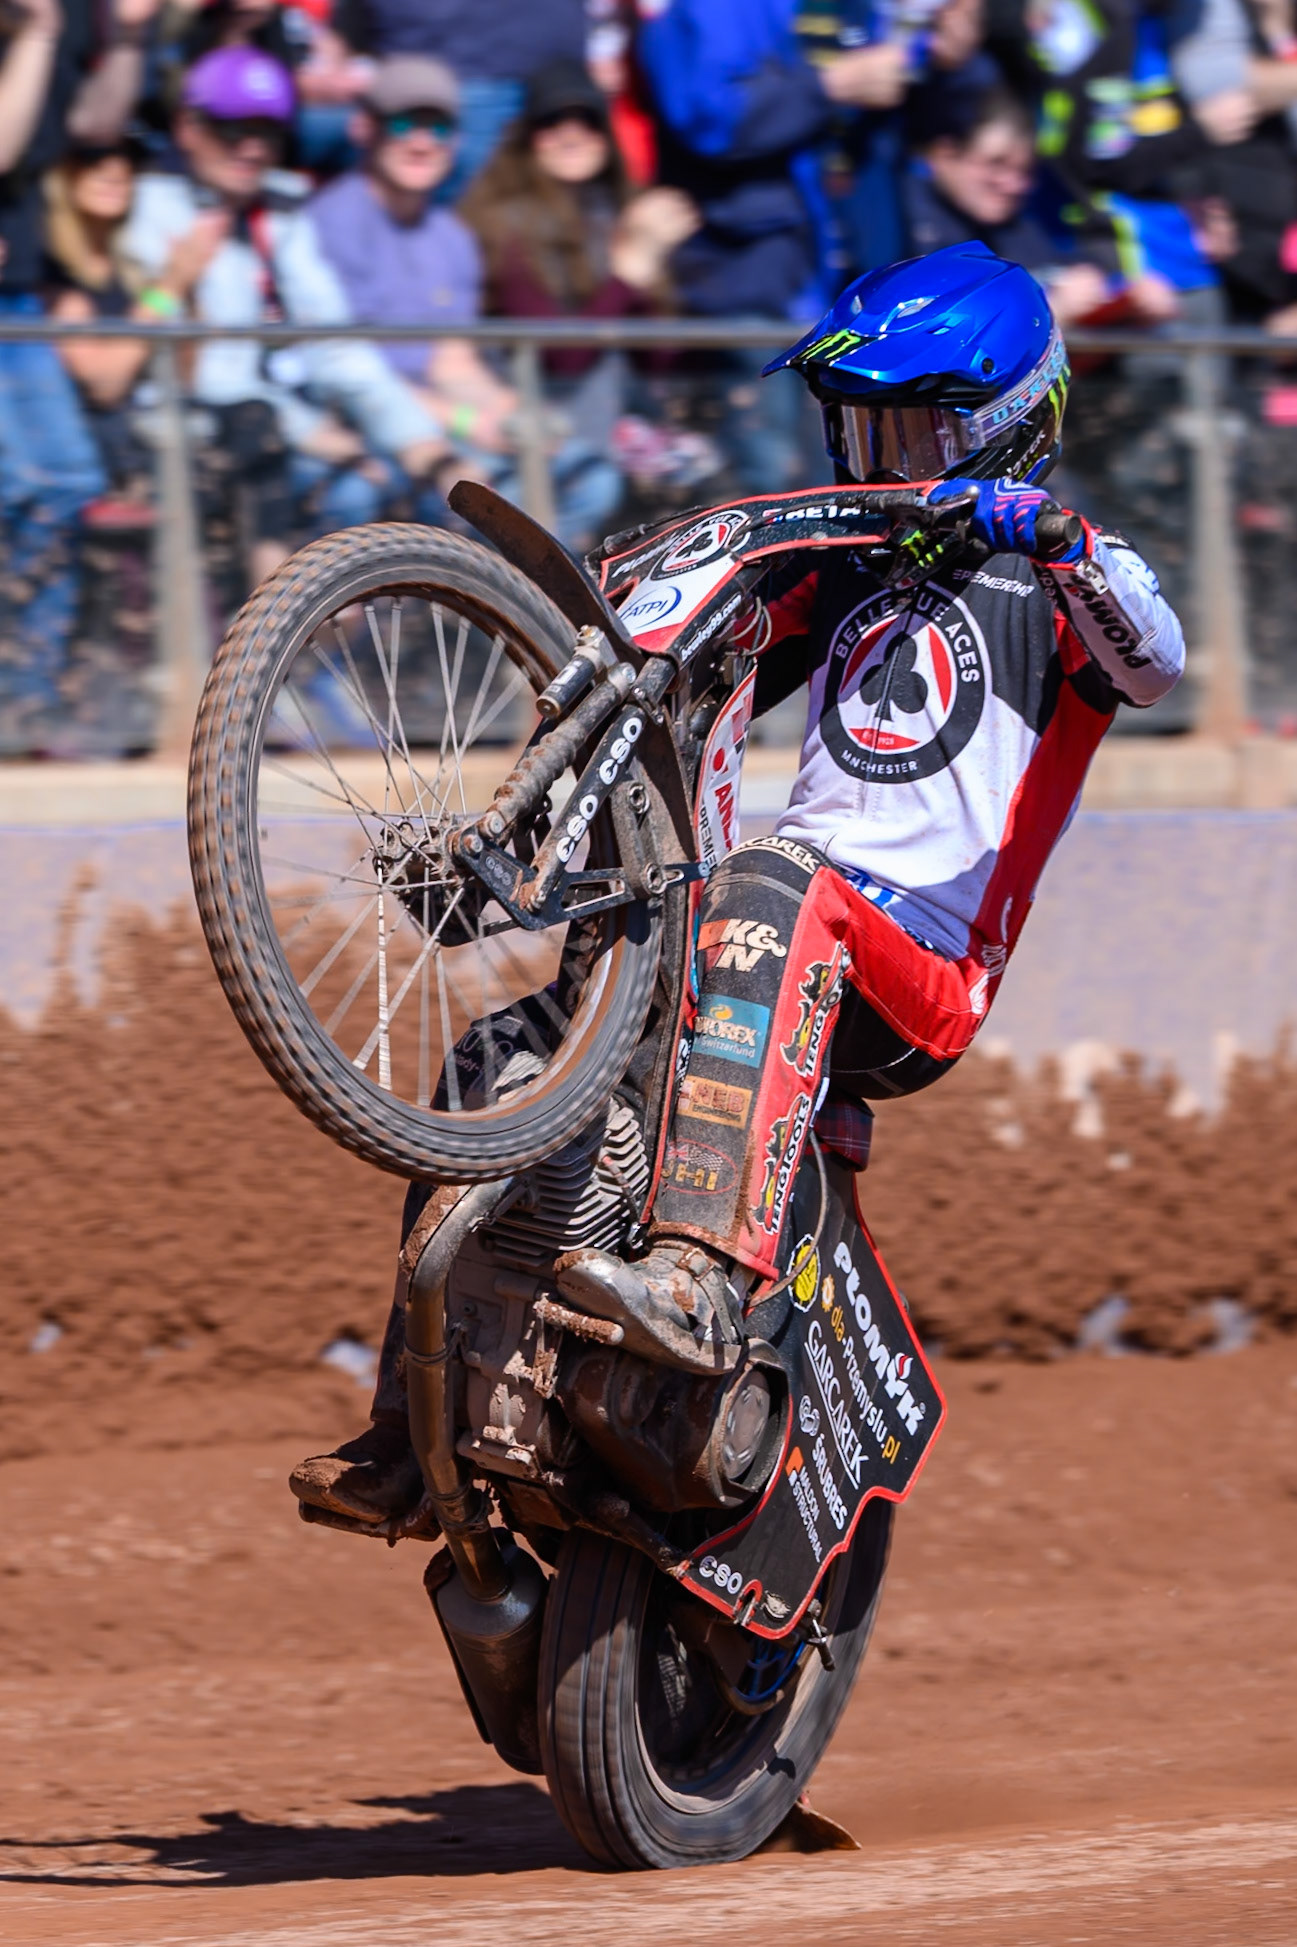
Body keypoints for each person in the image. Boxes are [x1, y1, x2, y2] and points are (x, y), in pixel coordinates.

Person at [290, 242, 1186, 1519]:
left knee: (774, 875)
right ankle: (411, 1422)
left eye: (912, 433)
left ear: (1005, 424)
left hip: (921, 975)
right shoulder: (854, 572)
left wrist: (1056, 537)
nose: (880, 463)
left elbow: (1153, 657)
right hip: (763, 928)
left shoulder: (1057, 589)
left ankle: (703, 1278)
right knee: (507, 1047)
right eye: (860, 430)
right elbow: (703, 672)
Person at [121, 44, 453, 592]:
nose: (253, 148)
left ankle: (330, 644)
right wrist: (313, 432)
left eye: (267, 133)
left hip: (280, 428)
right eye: (234, 130)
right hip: (183, 434)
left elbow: (335, 344)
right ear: (189, 128)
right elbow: (208, 375)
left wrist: (421, 442)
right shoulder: (154, 209)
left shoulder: (280, 210)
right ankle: (270, 640)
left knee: (400, 485)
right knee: (333, 480)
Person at [310, 53, 627, 547]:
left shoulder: (451, 235)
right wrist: (467, 423)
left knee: (590, 475)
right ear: (365, 129)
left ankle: (509, 596)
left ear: (456, 140)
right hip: (358, 428)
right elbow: (347, 374)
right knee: (497, 500)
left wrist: (515, 413)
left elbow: (452, 361)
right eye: (403, 123)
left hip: (446, 425)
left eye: (437, 126)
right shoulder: (329, 223)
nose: (422, 141)